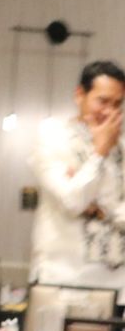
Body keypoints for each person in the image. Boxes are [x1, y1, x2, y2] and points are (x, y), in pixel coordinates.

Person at [28, 59, 125, 291]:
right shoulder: (53, 137)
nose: (109, 112)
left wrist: (102, 207)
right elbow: (72, 201)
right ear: (79, 95)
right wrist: (99, 152)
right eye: (102, 101)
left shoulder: (122, 147)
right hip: (61, 277)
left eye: (117, 104)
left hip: (118, 282)